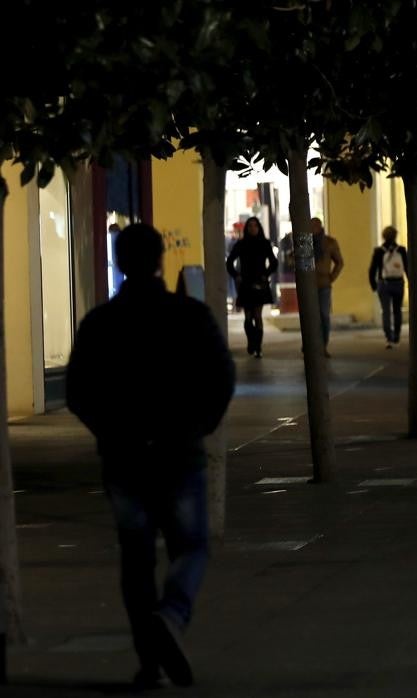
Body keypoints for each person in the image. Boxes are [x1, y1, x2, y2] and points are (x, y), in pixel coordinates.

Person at [66, 224, 236, 689]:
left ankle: (150, 660)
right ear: (161, 259)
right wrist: (200, 425)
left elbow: (77, 389)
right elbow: (222, 377)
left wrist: (109, 431)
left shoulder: (100, 323)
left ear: (120, 263)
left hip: (125, 458)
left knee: (136, 557)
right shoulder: (190, 315)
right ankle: (173, 613)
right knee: (193, 544)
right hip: (179, 451)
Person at [226, 216, 278, 358]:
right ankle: (251, 342)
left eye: (255, 226)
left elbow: (274, 262)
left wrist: (266, 274)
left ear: (259, 228)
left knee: (257, 315)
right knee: (248, 317)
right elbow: (229, 262)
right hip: (246, 283)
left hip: (260, 283)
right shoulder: (241, 244)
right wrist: (236, 275)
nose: (252, 228)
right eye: (250, 226)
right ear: (247, 228)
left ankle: (258, 347)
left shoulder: (265, 243)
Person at [368, 225, 409, 349]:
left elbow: (372, 270)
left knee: (386, 311)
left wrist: (374, 285)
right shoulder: (401, 250)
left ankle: (388, 336)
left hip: (384, 284)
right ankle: (396, 335)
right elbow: (407, 267)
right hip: (398, 283)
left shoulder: (378, 251)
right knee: (397, 310)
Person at [311, 217, 344, 356]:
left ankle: (323, 345)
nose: (312, 229)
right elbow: (298, 262)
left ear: (320, 227)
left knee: (324, 315)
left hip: (324, 284)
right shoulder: (305, 243)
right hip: (309, 286)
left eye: (315, 226)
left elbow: (339, 262)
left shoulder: (330, 242)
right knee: (310, 316)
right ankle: (310, 344)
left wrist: (331, 277)